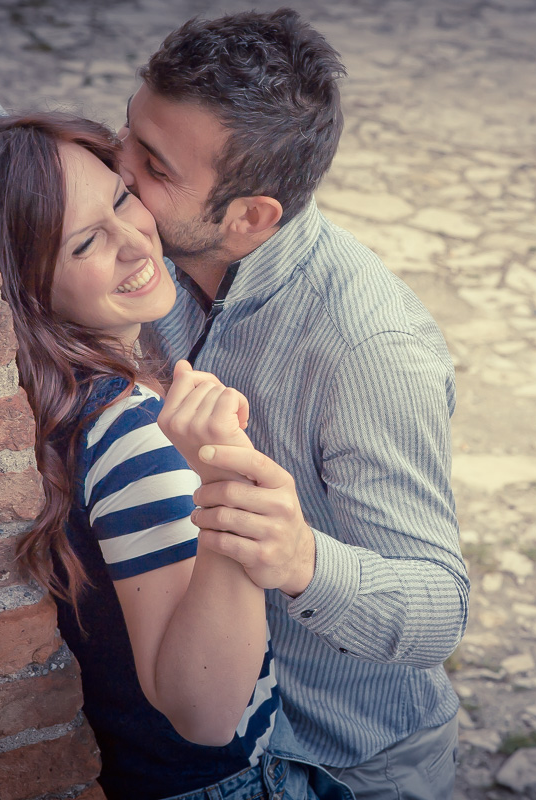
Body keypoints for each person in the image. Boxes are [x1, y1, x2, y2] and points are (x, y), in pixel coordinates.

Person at [117, 10, 469, 798]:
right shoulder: (155, 244)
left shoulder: (368, 347)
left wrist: (302, 560)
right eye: (127, 135)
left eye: (154, 166)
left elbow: (440, 610)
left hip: (347, 762)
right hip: (212, 754)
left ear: (250, 218)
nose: (120, 172)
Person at [0, 113, 350, 800]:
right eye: (86, 242)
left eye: (120, 198)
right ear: (29, 283)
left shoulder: (60, 403)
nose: (134, 242)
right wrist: (225, 478)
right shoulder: (130, 433)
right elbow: (203, 711)